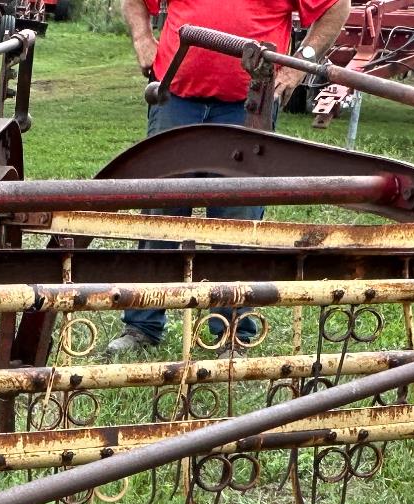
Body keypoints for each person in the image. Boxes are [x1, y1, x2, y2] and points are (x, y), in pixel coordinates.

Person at [107, 0, 352, 355]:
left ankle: (233, 331)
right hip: (177, 99)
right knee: (160, 216)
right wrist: (143, 40)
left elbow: (337, 5)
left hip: (248, 107)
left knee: (238, 221)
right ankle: (142, 327)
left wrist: (300, 65)